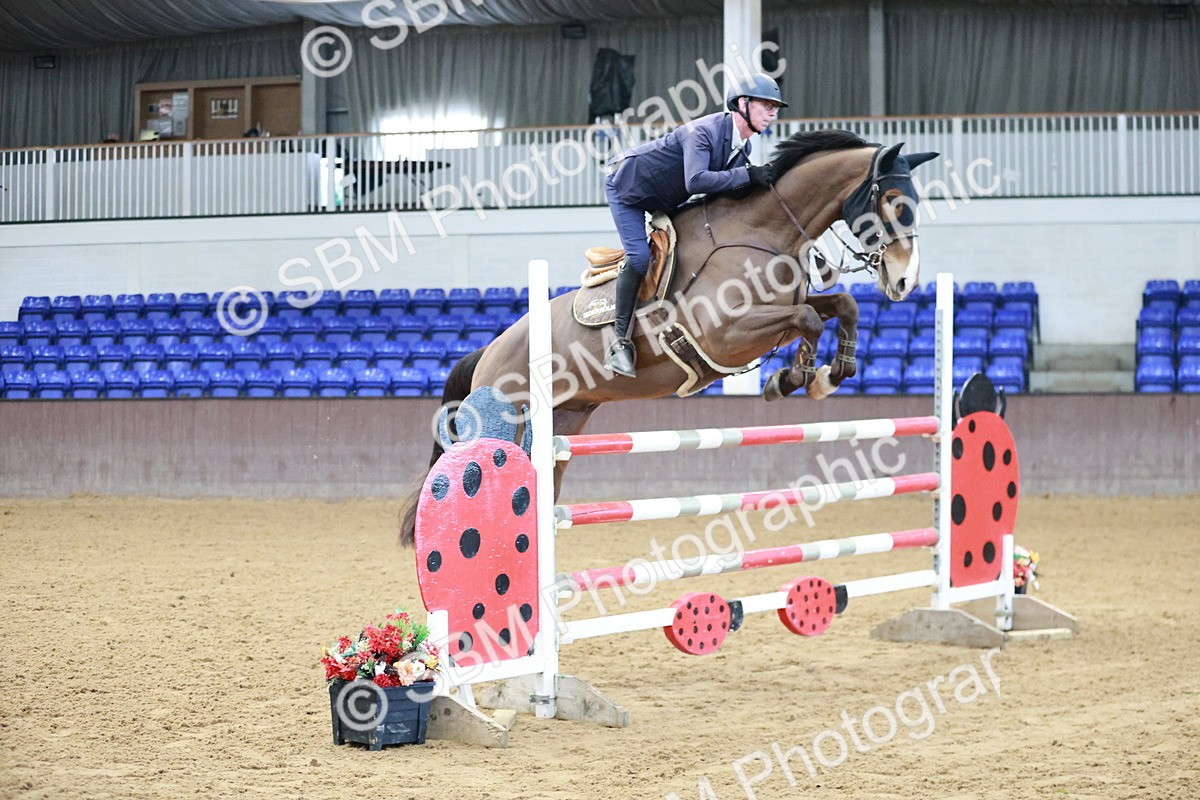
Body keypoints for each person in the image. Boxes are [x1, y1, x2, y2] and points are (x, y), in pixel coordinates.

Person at [602, 73, 787, 377]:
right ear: (742, 104)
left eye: (774, 107)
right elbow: (697, 180)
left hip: (667, 198)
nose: (772, 113)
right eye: (766, 105)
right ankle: (619, 344)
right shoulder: (702, 132)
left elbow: (730, 192)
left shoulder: (743, 149)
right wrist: (749, 176)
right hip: (629, 188)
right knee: (638, 257)